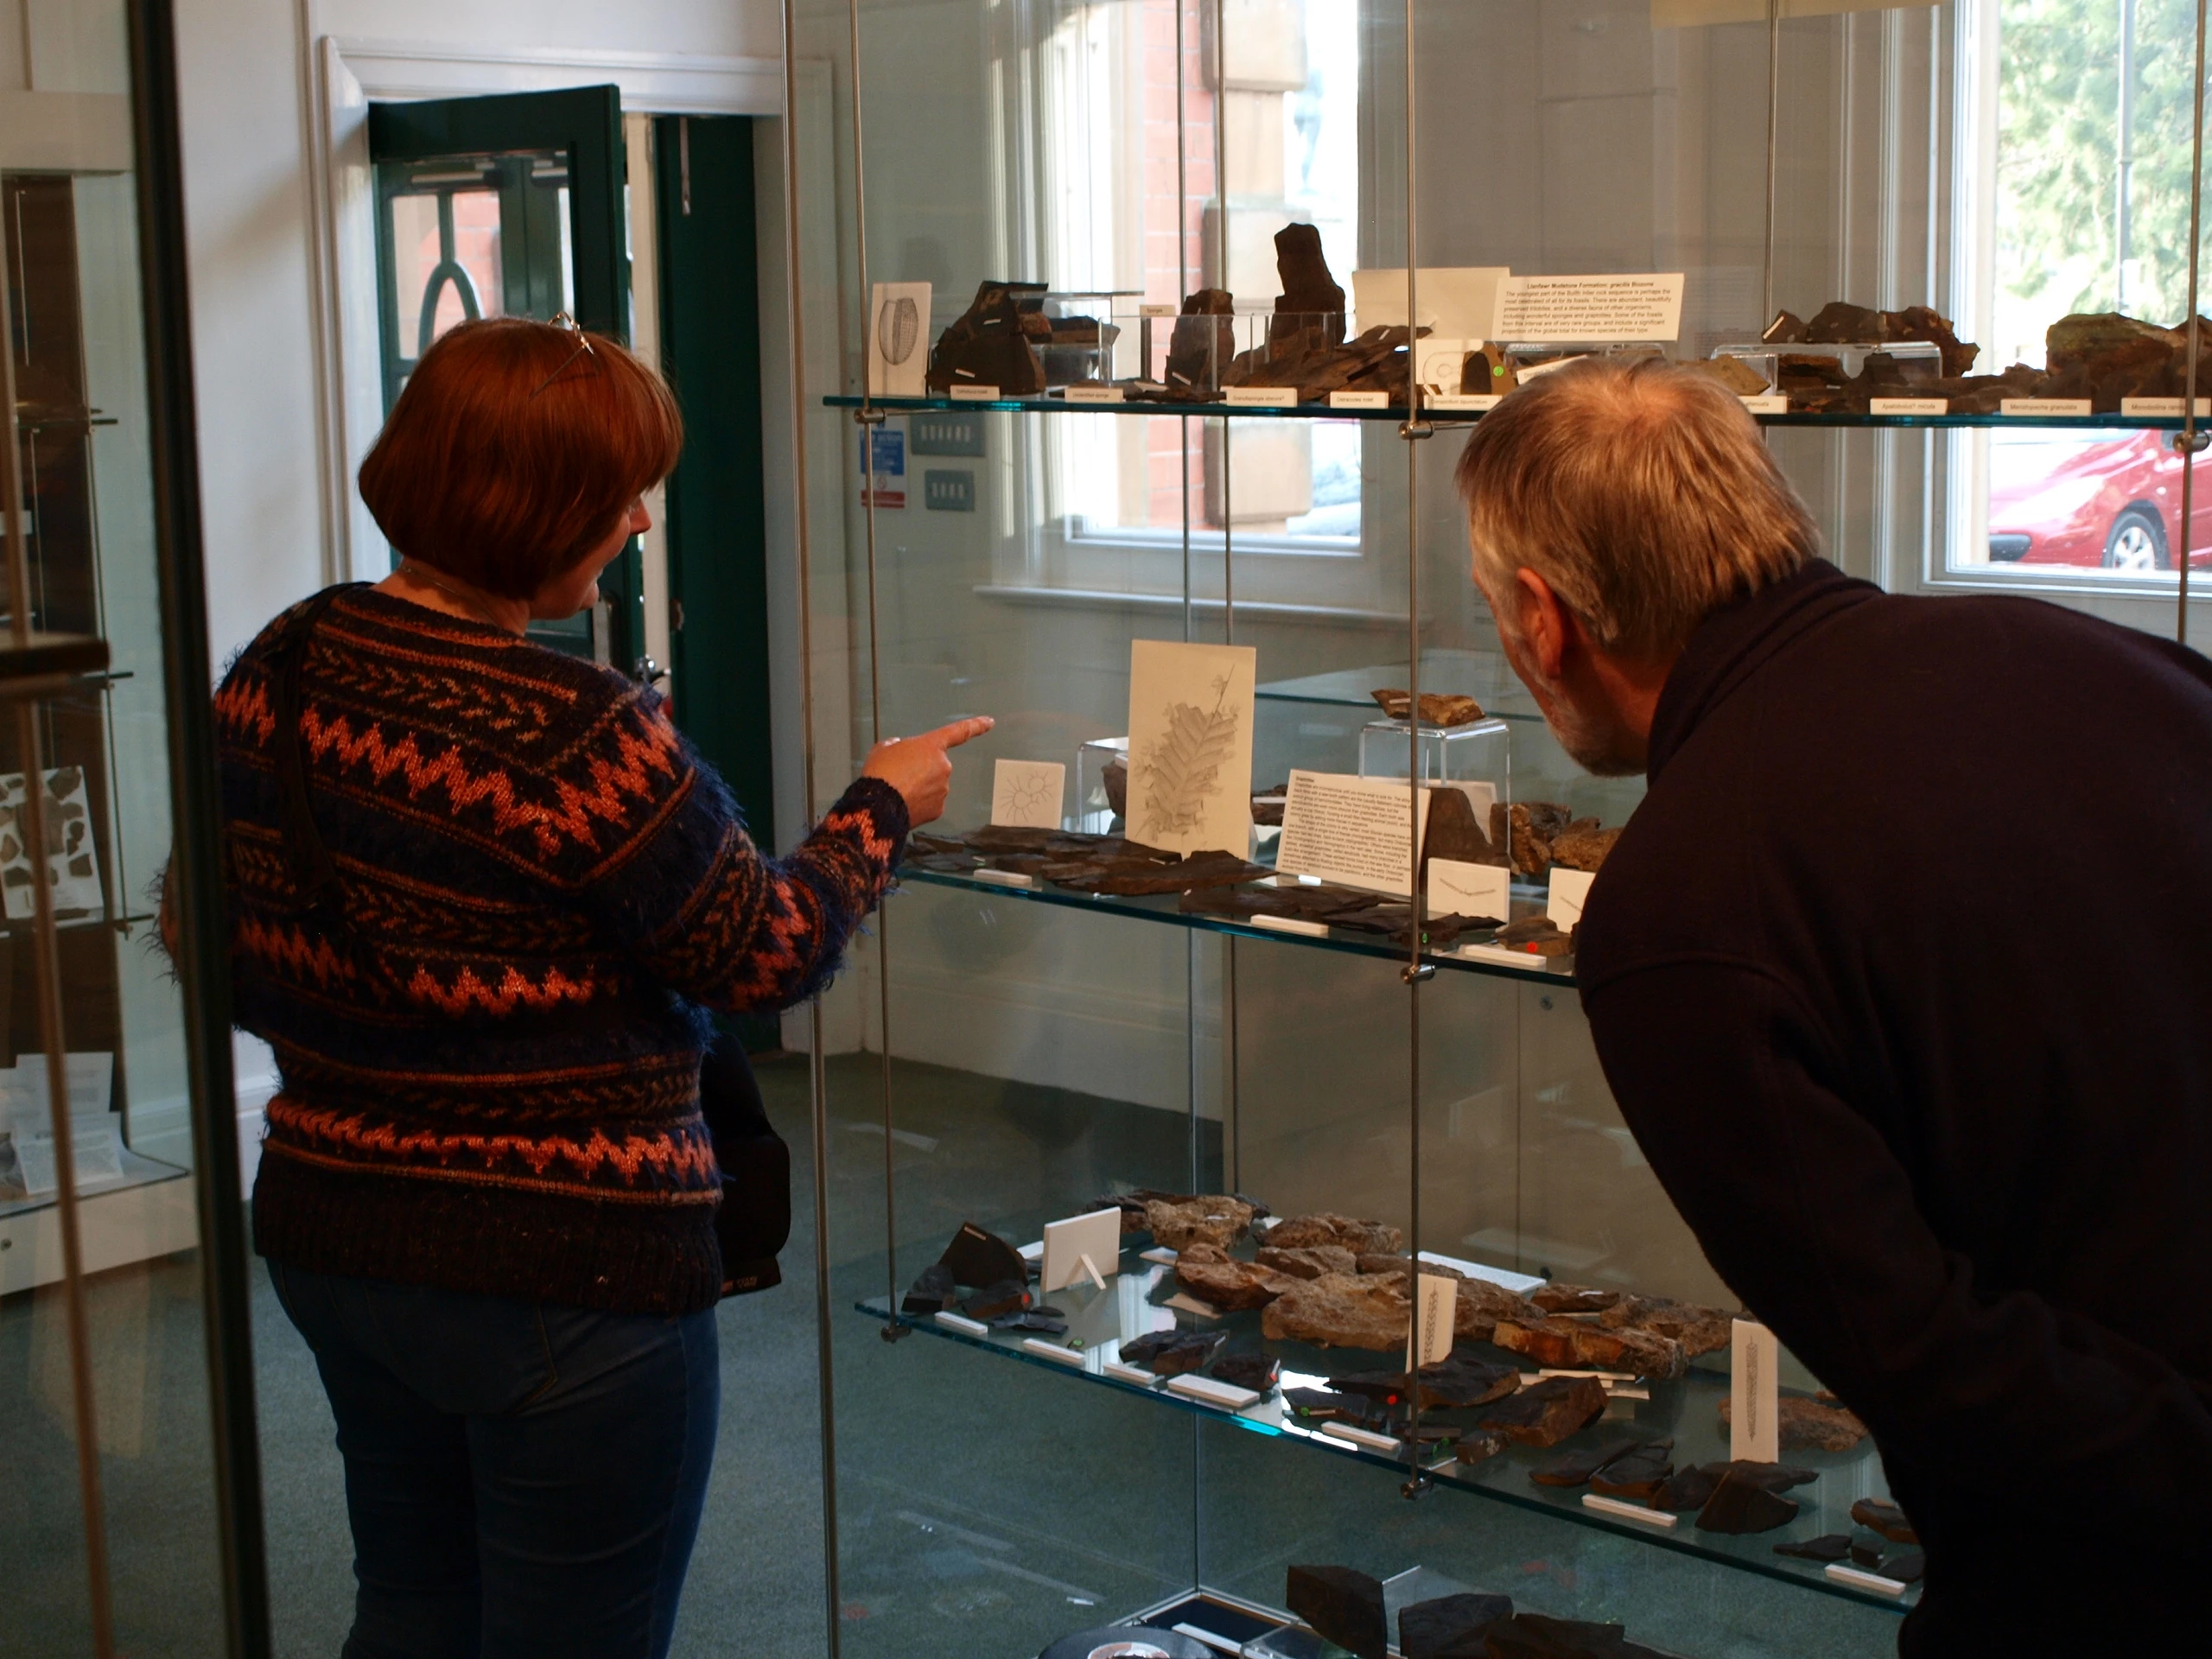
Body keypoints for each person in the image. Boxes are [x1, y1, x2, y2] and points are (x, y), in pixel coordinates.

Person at [213, 315, 988, 1659]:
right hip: (562, 1274)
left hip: (334, 1233)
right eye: (617, 492)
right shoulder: (572, 733)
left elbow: (210, 921)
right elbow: (764, 950)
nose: (638, 519)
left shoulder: (284, 661)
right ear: (530, 505)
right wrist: (880, 808)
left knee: (409, 1608)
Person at [1452, 356, 2212, 1653]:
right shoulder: (2098, 655)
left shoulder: (1680, 904)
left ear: (1544, 617)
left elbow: (1918, 1355)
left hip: (2124, 1557)